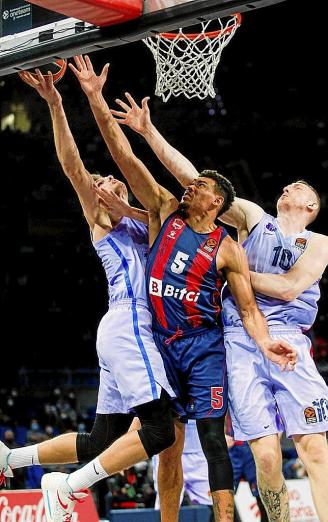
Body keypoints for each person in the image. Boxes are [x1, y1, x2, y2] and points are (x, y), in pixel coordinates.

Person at [37, 55, 297, 522]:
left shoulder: (215, 243)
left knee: (200, 438)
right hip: (154, 336)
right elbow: (122, 156)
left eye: (197, 184)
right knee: (165, 442)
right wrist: (93, 98)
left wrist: (265, 342)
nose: (188, 186)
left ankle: (218, 518)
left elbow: (248, 308)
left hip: (199, 342)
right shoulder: (159, 213)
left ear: (215, 201)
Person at [111, 93, 328, 521]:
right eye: (287, 185)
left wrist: (227, 270)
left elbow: (287, 288)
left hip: (285, 339)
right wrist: (148, 131)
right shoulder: (251, 217)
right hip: (241, 340)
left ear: (311, 207)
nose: (288, 187)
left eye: (299, 188)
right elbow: (194, 180)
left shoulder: (319, 244)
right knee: (265, 457)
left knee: (315, 448)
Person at [0, 65, 178, 516]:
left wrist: (129, 208)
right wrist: (56, 103)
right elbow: (72, 166)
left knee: (103, 438)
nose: (104, 183)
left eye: (108, 180)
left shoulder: (141, 222)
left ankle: (10, 458)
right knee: (160, 431)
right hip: (129, 320)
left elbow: (163, 208)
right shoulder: (102, 221)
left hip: (121, 331)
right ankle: (67, 486)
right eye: (99, 186)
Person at [152, 420, 213, 512]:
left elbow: (217, 409)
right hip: (165, 453)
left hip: (200, 452)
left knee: (214, 503)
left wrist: (219, 434)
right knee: (165, 505)